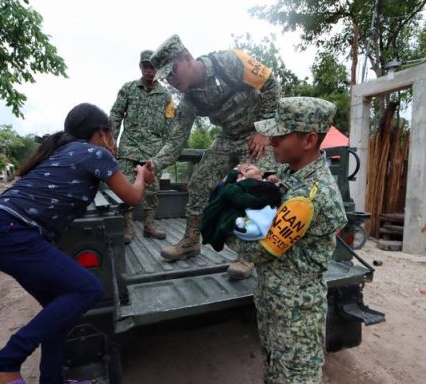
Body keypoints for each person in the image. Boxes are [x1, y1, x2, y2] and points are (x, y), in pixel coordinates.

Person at [0, 103, 154, 384]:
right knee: (88, 288)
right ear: (102, 132)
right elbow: (132, 197)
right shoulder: (95, 153)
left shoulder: (61, 151)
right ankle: (3, 363)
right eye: (111, 133)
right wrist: (142, 177)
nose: (112, 139)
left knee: (58, 312)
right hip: (12, 231)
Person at [225, 97, 348, 383]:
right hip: (274, 301)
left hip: (296, 314)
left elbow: (258, 252)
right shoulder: (292, 170)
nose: (270, 142)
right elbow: (278, 180)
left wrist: (223, 226)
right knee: (273, 371)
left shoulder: (313, 196)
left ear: (309, 140)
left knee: (294, 378)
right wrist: (260, 177)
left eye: (280, 135)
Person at [149, 34, 280, 279]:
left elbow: (271, 84)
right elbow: (177, 139)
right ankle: (190, 241)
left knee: (252, 187)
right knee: (198, 183)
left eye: (172, 71)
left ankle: (247, 254)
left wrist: (265, 131)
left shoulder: (230, 61)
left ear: (187, 58)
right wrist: (154, 165)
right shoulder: (189, 98)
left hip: (255, 136)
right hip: (228, 137)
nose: (171, 80)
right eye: (166, 76)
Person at [110, 49, 175, 243]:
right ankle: (127, 227)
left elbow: (171, 123)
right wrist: (111, 142)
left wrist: (165, 150)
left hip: (153, 152)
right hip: (129, 147)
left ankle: (149, 225)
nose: (149, 70)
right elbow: (115, 115)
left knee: (152, 191)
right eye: (146, 66)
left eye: (153, 66)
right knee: (127, 188)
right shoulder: (128, 88)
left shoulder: (166, 95)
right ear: (140, 67)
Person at [201, 163, 281, 252]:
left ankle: (252, 224)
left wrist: (273, 180)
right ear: (240, 176)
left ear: (262, 173)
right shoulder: (239, 185)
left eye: (251, 165)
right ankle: (243, 223)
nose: (247, 166)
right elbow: (236, 198)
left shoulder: (268, 184)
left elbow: (274, 196)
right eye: (244, 169)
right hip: (245, 214)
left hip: (265, 214)